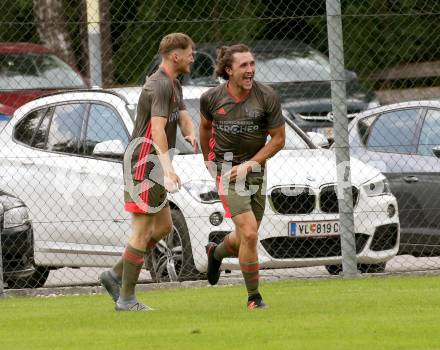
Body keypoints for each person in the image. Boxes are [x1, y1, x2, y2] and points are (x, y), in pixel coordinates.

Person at [99, 33, 196, 311]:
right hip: (144, 163)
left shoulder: (173, 83)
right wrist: (168, 169)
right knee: (141, 232)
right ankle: (127, 299)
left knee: (164, 227)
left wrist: (190, 133)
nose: (193, 56)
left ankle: (115, 274)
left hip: (152, 164)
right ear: (174, 56)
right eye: (190, 52)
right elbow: (155, 130)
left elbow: (183, 116)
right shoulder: (159, 85)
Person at [199, 44, 285, 309]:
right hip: (226, 170)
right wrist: (209, 162)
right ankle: (254, 297)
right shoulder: (211, 98)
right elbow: (204, 128)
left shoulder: (267, 96)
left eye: (252, 64)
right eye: (243, 66)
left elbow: (279, 139)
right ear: (229, 70)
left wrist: (251, 164)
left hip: (255, 169)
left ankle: (216, 252)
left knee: (245, 237)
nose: (250, 70)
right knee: (249, 234)